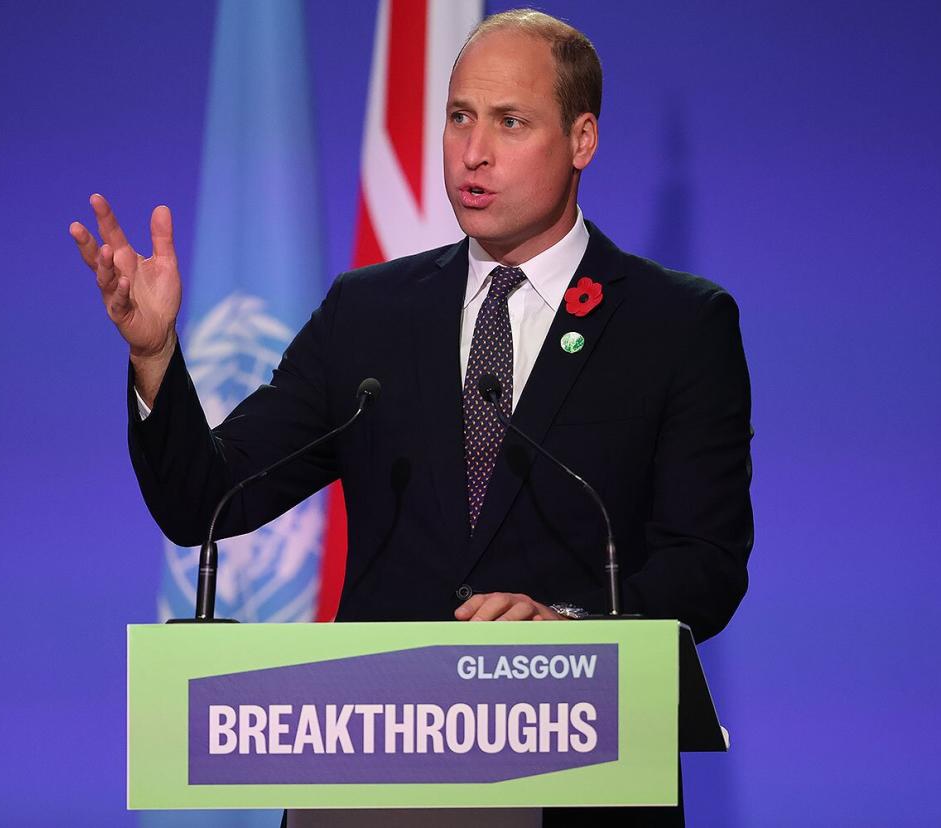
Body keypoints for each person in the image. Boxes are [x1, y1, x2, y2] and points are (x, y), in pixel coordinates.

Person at [72, 9, 752, 825]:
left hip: (580, 783)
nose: (474, 152)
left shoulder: (675, 325)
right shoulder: (370, 313)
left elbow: (706, 565)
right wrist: (155, 358)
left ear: (582, 140)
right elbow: (204, 499)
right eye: (459, 117)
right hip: (375, 786)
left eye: (511, 122)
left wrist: (571, 629)